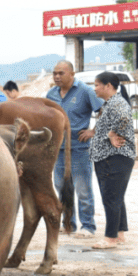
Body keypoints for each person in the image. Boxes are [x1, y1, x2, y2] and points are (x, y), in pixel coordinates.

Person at [48, 60, 103, 237]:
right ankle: (68, 225)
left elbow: (103, 110)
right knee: (62, 188)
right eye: (55, 73)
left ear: (72, 74)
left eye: (61, 73)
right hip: (59, 149)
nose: (57, 76)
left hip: (79, 149)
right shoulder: (51, 94)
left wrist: (93, 131)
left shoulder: (85, 91)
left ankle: (88, 226)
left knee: (82, 188)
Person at [89, 71, 132, 249]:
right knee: (116, 196)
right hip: (110, 158)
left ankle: (110, 238)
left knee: (111, 197)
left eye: (97, 84)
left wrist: (113, 134)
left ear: (108, 86)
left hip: (113, 157)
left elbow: (123, 117)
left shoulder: (117, 103)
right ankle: (119, 233)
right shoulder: (110, 103)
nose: (95, 88)